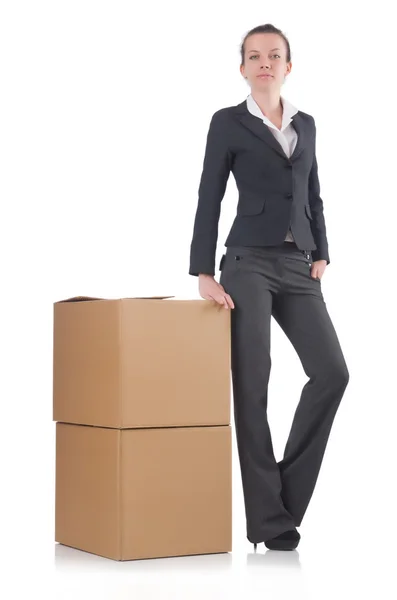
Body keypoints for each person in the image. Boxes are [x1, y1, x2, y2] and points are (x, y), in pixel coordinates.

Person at [188, 23, 350, 551]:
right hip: (247, 264)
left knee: (332, 373)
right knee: (253, 386)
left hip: (299, 265)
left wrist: (322, 250)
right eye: (254, 56)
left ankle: (279, 499)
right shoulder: (228, 123)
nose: (264, 63)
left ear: (288, 65)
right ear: (243, 68)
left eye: (273, 55)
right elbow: (209, 195)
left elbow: (314, 194)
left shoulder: (307, 125)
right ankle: (270, 525)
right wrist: (203, 272)